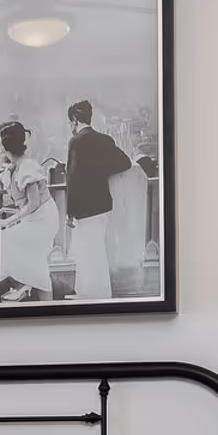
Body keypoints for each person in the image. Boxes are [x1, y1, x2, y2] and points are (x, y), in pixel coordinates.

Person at [0, 122, 58, 302]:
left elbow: (33, 203)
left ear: (5, 143)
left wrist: (7, 222)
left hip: (42, 220)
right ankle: (30, 289)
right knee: (32, 258)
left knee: (1, 241)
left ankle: (27, 287)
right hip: (34, 219)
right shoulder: (14, 165)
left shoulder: (27, 166)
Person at [64, 99, 131, 300]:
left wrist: (69, 212)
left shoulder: (76, 142)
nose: (70, 127)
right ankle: (94, 292)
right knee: (96, 250)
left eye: (70, 122)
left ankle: (91, 294)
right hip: (103, 205)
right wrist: (100, 171)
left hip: (85, 208)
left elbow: (72, 178)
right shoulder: (105, 140)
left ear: (75, 120)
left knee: (87, 253)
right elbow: (125, 162)